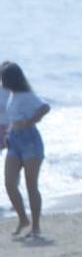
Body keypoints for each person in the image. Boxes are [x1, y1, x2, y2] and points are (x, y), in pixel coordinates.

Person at [3, 61, 50, 240]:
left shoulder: (27, 94)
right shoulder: (13, 95)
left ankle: (36, 226)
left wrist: (30, 121)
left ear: (12, 79)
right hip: (14, 141)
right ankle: (23, 219)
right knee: (9, 183)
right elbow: (13, 118)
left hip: (30, 141)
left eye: (4, 78)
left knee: (31, 186)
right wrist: (8, 133)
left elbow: (45, 107)